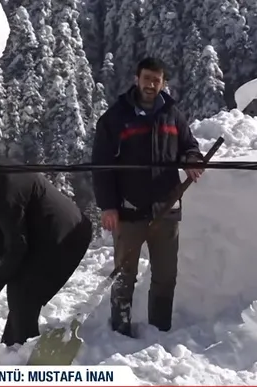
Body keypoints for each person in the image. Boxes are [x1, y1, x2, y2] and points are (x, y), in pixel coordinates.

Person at [91, 57, 205, 337]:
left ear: (163, 83)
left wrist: (192, 159)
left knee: (166, 277)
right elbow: (101, 164)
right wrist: (108, 205)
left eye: (157, 80)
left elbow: (189, 145)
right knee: (123, 276)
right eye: (146, 79)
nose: (151, 85)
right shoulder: (116, 117)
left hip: (166, 208)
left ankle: (160, 329)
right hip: (129, 210)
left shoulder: (173, 114)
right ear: (136, 79)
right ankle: (119, 331)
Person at [0, 158, 93, 346]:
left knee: (26, 293)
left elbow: (17, 246)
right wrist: (4, 273)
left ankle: (25, 348)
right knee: (19, 293)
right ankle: (12, 346)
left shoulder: (5, 196)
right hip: (45, 233)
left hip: (66, 237)